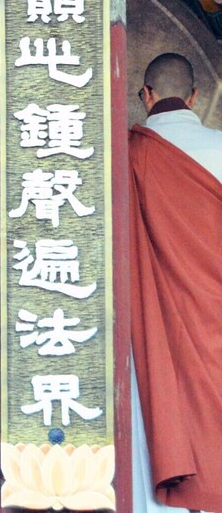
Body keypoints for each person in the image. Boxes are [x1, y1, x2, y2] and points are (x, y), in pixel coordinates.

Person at [130, 53, 222, 513]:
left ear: (145, 95)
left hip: (146, 325)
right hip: (215, 318)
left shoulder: (124, 153)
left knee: (151, 425)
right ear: (194, 97)